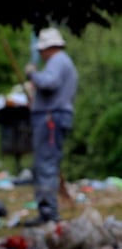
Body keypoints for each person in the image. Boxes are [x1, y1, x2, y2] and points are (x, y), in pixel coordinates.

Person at [23, 27, 78, 226]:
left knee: (45, 165)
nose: (40, 54)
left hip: (50, 120)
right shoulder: (64, 62)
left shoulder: (57, 61)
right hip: (52, 116)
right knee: (46, 164)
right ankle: (47, 210)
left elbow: (50, 83)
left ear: (48, 48)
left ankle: (48, 213)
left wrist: (33, 75)